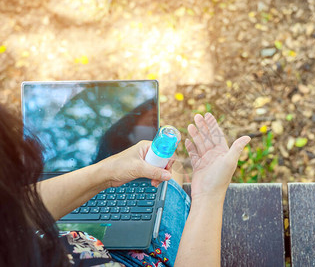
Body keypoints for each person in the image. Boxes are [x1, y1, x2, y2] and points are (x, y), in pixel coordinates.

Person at [0, 103, 251, 266]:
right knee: (173, 173)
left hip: (83, 249)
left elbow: (10, 213)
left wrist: (108, 171)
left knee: (171, 172)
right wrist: (208, 194)